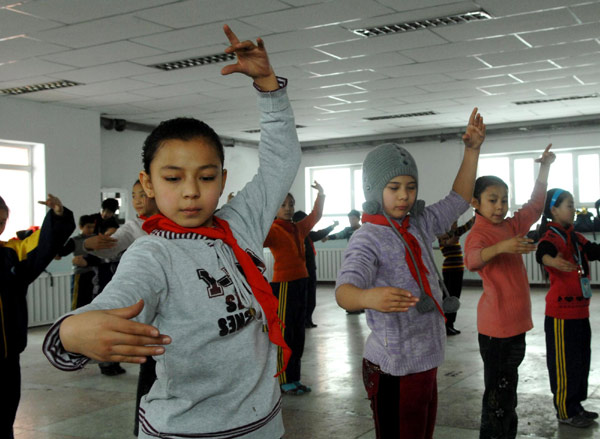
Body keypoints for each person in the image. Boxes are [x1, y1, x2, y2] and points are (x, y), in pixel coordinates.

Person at [43, 24, 300, 439]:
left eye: (206, 177)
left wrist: (269, 88)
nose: (191, 192)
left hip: (264, 423)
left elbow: (281, 160)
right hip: (185, 432)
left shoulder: (241, 222)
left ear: (223, 178)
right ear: (148, 184)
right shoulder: (153, 254)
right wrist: (72, 332)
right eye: (173, 178)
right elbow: (120, 297)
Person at [335, 108, 486, 439]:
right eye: (394, 187)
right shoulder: (367, 237)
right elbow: (344, 290)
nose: (404, 196)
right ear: (374, 190)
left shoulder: (418, 223)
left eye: (410, 186)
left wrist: (472, 151)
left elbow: (458, 200)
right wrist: (366, 296)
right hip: (393, 365)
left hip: (425, 358)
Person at [464, 144, 555, 439]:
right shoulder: (479, 233)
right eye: (493, 200)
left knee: (507, 396)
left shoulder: (511, 224)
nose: (500, 206)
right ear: (475, 202)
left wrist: (544, 168)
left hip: (515, 327)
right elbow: (473, 260)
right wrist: (504, 246)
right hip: (496, 332)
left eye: (504, 200)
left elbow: (536, 205)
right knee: (498, 399)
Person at [0, 194, 75, 439]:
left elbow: (43, 244)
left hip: (7, 355)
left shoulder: (11, 254)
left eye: (1, 222)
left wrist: (58, 216)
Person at [535, 188, 600, 428]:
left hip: (581, 312)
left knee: (580, 361)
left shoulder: (573, 235)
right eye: (569, 205)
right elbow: (543, 252)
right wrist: (551, 261)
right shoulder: (552, 236)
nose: (573, 209)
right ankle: (564, 410)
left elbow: (593, 251)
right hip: (561, 315)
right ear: (554, 210)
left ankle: (576, 405)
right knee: (563, 365)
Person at [264, 183, 325, 394]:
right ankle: (283, 380)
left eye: (291, 204)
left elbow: (315, 216)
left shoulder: (298, 228)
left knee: (299, 334)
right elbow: (251, 236)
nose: (288, 208)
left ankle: (295, 378)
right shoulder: (272, 230)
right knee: (286, 334)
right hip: (284, 287)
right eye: (283, 205)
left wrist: (321, 195)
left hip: (302, 284)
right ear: (275, 209)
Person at [291, 210, 338, 328]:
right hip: (301, 272)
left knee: (311, 297)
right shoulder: (295, 235)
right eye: (305, 221)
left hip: (311, 270)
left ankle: (308, 320)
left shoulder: (307, 234)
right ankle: (302, 320)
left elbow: (319, 234)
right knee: (303, 297)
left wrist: (332, 226)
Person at [437, 216, 474, 336]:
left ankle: (450, 324)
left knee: (455, 297)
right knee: (449, 297)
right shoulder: (442, 234)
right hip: (450, 270)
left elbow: (469, 224)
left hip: (458, 270)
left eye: (456, 222)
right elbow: (444, 243)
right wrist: (449, 242)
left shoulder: (456, 232)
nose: (455, 224)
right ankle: (444, 325)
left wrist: (478, 214)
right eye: (453, 222)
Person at [56, 214, 102, 310]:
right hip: (80, 275)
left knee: (92, 301)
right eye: (88, 227)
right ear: (81, 226)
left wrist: (87, 262)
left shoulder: (97, 239)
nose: (91, 230)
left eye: (92, 227)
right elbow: (61, 253)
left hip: (94, 274)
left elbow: (101, 258)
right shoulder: (74, 241)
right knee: (78, 302)